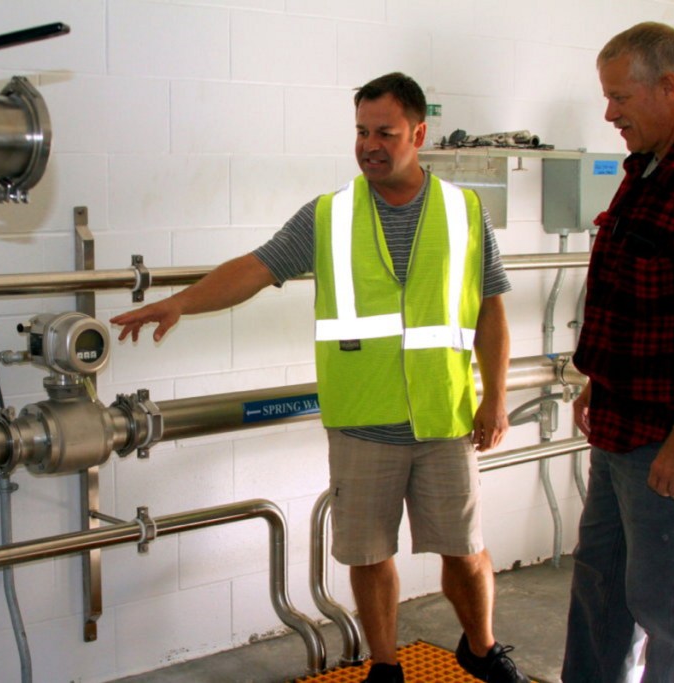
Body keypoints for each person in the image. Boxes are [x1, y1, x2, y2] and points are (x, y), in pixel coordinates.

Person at [111, 72, 529, 683]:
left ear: (418, 132)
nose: (369, 145)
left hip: (444, 416)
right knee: (368, 553)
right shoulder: (329, 215)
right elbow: (255, 267)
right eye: (360, 132)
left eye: (384, 132)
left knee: (464, 551)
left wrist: (495, 399)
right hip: (362, 418)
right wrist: (181, 302)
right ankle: (384, 666)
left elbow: (491, 311)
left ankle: (481, 647)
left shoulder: (465, 212)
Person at [563, 22, 674, 683]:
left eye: (619, 97)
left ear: (668, 86)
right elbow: (638, 295)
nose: (609, 113)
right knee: (600, 589)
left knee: (669, 605)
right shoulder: (649, 166)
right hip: (620, 422)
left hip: (669, 436)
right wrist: (596, 382)